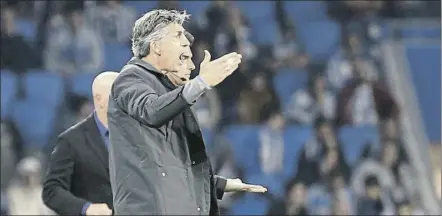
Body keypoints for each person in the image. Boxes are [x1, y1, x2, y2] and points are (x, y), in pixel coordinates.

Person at [108, 9, 266, 215]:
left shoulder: (169, 92)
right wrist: (201, 82)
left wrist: (218, 184)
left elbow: (174, 165)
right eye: (177, 36)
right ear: (156, 46)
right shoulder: (130, 79)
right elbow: (151, 111)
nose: (185, 42)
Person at [42, 72, 119, 215]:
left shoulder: (138, 136)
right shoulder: (71, 141)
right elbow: (51, 190)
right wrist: (86, 208)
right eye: (119, 95)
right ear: (99, 99)